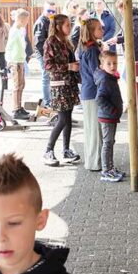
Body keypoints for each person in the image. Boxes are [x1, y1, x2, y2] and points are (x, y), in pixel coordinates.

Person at [42, 14, 81, 167]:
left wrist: (75, 66)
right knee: (62, 119)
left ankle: (66, 150)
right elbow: (48, 66)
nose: (69, 28)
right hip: (59, 85)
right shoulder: (50, 42)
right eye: (66, 25)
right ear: (58, 26)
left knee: (68, 118)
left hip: (69, 84)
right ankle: (48, 150)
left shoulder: (66, 42)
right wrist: (68, 67)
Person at [78, 19, 106, 173]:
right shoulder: (93, 49)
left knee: (90, 129)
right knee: (96, 130)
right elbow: (97, 73)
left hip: (87, 91)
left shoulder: (84, 47)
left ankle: (92, 161)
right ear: (92, 31)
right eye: (99, 28)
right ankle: (96, 162)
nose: (102, 30)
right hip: (93, 91)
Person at [94, 50, 125, 183]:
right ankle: (106, 170)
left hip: (110, 116)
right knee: (107, 143)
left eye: (115, 63)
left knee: (110, 142)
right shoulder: (106, 79)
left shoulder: (110, 78)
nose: (113, 66)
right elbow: (99, 99)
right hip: (107, 117)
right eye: (109, 64)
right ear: (102, 66)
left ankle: (110, 168)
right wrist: (112, 110)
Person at [5, 9, 31, 119]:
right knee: (17, 86)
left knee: (22, 84)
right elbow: (9, 47)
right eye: (26, 21)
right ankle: (16, 109)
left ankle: (19, 107)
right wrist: (9, 61)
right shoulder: (14, 31)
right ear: (20, 20)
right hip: (15, 62)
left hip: (20, 60)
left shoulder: (20, 30)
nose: (27, 23)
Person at [33, 3, 57, 108]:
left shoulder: (50, 21)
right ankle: (47, 102)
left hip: (51, 53)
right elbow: (39, 43)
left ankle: (50, 100)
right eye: (49, 11)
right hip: (43, 54)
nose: (51, 13)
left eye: (53, 11)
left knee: (50, 77)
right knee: (46, 76)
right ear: (44, 10)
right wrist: (46, 56)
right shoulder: (41, 23)